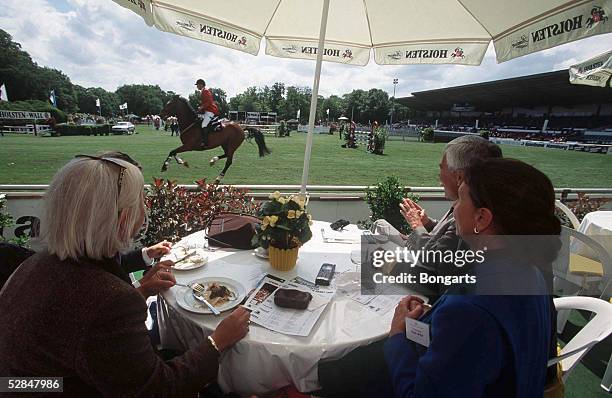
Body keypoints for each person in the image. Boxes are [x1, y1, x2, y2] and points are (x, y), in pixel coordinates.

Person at [0, 155, 250, 396]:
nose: (145, 206)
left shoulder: (35, 263)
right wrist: (217, 341)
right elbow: (160, 389)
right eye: (141, 199)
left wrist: (140, 292)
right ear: (122, 220)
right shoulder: (110, 301)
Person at [385, 158, 560, 397]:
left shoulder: (471, 308)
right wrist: (433, 319)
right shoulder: (531, 272)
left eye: (461, 199)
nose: (455, 208)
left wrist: (396, 336)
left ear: (481, 218)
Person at [371, 135, 502, 296]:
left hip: (425, 273)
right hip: (425, 254)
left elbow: (433, 261)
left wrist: (416, 225)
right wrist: (427, 223)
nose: (439, 176)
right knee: (380, 227)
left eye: (441, 168)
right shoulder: (473, 206)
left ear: (459, 176)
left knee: (375, 256)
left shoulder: (470, 214)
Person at [195, 78, 219, 147]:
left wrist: (201, 107)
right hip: (207, 111)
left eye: (198, 85)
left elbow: (209, 102)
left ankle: (205, 142)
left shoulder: (205, 91)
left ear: (201, 85)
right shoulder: (203, 91)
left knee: (204, 125)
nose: (197, 86)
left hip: (210, 111)